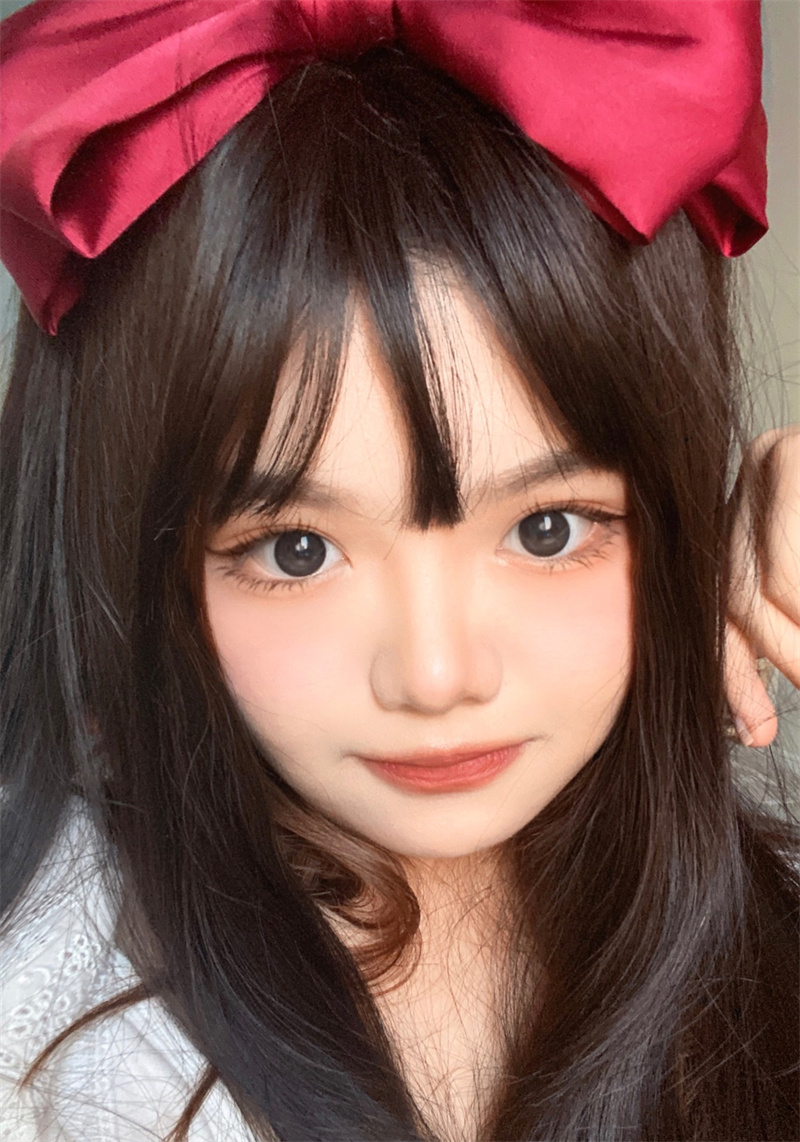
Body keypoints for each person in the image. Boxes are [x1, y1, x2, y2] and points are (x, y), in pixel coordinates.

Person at [1, 3, 798, 1140]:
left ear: (673, 508)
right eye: (297, 550)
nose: (435, 676)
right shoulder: (39, 1019)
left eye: (545, 530)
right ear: (141, 544)